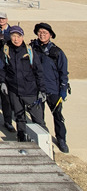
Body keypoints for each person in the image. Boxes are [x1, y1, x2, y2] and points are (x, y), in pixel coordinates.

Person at [1, 25, 47, 142]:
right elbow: (3, 69)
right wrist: (2, 82)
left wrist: (42, 90)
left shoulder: (29, 51)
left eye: (18, 36)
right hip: (14, 91)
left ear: (22, 37)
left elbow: (39, 71)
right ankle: (22, 140)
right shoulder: (6, 50)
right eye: (13, 36)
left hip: (30, 91)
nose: (16, 39)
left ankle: (45, 143)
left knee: (38, 119)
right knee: (19, 117)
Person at [31, 22, 69, 153]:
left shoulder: (57, 52)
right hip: (36, 89)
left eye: (45, 33)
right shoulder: (31, 49)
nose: (42, 35)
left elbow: (63, 72)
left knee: (57, 116)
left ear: (50, 35)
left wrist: (63, 89)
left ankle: (61, 139)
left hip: (53, 89)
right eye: (40, 32)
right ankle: (41, 139)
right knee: (37, 117)